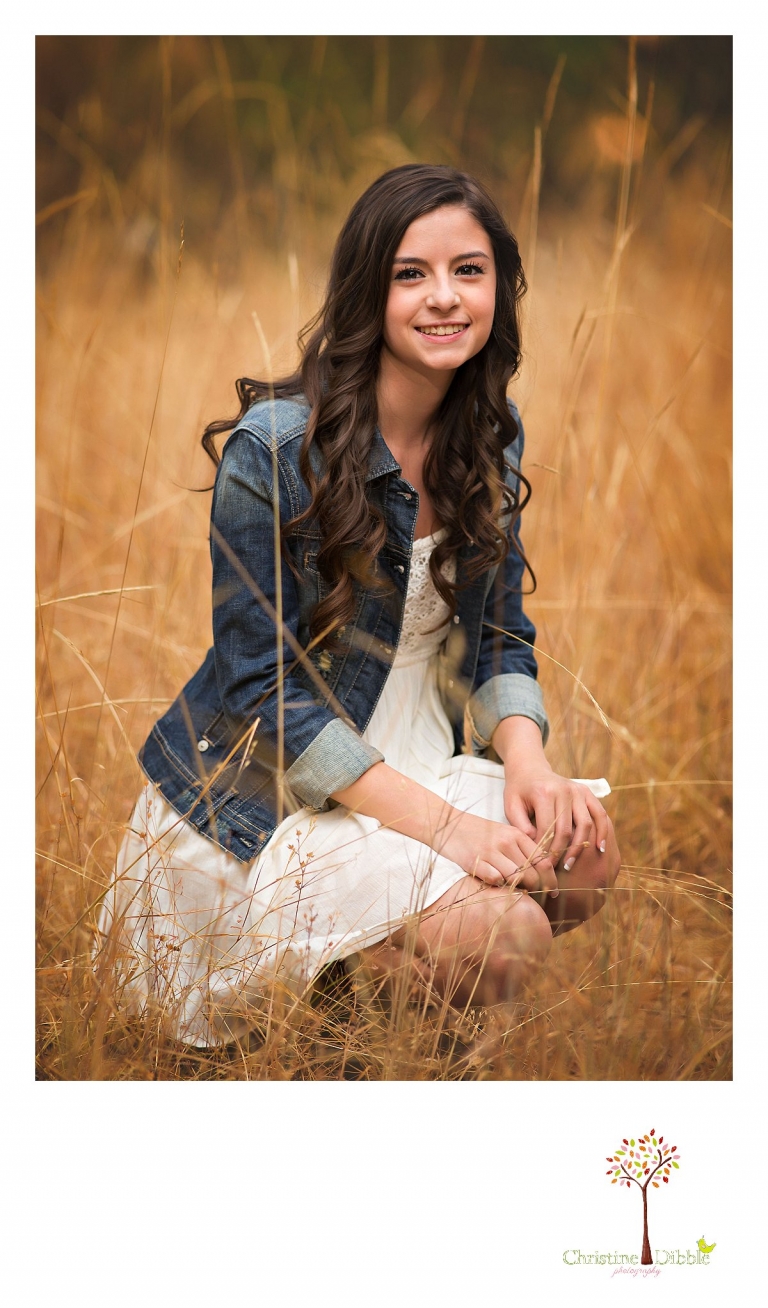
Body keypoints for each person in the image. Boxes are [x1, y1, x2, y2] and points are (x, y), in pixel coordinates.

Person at [99, 164, 620, 1048]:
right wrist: (450, 831)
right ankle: (333, 1005)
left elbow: (497, 637)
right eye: (410, 274)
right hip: (282, 796)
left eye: (469, 269)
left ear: (500, 285)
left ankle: (358, 1003)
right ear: (367, 292)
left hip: (415, 745)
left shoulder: (490, 431)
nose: (444, 298)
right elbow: (261, 692)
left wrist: (529, 766)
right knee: (508, 935)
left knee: (588, 861)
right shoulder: (275, 452)